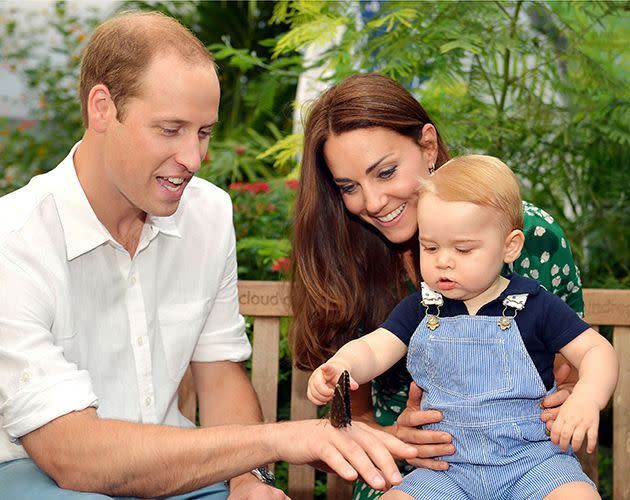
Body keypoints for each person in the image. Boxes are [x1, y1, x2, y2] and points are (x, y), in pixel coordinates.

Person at [0, 12, 418, 500]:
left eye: (203, 133)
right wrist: (273, 440)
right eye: (171, 129)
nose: (194, 159)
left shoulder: (207, 213)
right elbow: (71, 456)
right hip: (39, 479)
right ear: (102, 108)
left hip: (183, 478)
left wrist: (249, 480)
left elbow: (219, 376)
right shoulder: (14, 240)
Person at [289, 73, 587, 499]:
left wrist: (576, 394)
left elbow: (577, 365)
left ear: (427, 146)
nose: (372, 202)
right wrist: (394, 438)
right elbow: (343, 427)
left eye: (386, 172)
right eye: (349, 187)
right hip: (416, 474)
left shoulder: (524, 234)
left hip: (526, 463)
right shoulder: (344, 259)